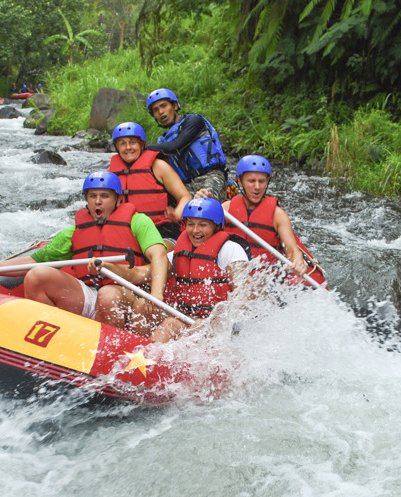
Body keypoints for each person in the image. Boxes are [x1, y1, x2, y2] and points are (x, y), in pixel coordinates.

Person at [0, 171, 169, 330]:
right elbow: (31, 262)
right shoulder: (73, 233)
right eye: (92, 196)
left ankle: (105, 354)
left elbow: (159, 255)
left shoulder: (138, 222)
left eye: (105, 196)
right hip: (89, 294)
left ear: (117, 200)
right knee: (37, 275)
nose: (98, 201)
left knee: (107, 294)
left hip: (126, 295)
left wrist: (157, 294)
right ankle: (54, 341)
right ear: (86, 200)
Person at [93, 197, 251, 341]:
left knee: (170, 325)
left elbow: (245, 298)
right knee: (142, 306)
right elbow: (139, 274)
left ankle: (143, 361)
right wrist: (108, 267)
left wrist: (213, 321)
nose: (195, 231)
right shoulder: (178, 252)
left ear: (216, 226)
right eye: (191, 224)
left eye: (203, 225)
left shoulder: (231, 250)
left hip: (215, 325)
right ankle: (131, 355)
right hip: (184, 316)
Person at [216, 155, 326, 284]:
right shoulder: (225, 210)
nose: (257, 186)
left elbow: (291, 250)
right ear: (240, 181)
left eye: (262, 181)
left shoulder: (278, 215)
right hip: (234, 277)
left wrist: (298, 262)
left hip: (266, 281)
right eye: (251, 181)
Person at [109, 122, 192, 251]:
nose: (128, 147)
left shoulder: (158, 166)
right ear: (117, 147)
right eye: (122, 143)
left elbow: (185, 197)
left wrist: (177, 213)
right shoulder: (111, 173)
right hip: (127, 232)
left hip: (162, 232)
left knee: (155, 253)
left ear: (142, 144)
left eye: (132, 142)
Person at [145, 88, 228, 201]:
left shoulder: (194, 121)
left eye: (163, 105)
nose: (160, 112)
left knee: (204, 205)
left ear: (175, 106)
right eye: (155, 110)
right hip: (186, 184)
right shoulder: (163, 141)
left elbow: (175, 146)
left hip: (211, 176)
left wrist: (143, 147)